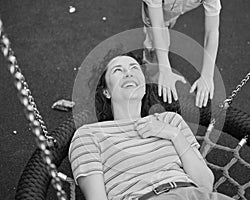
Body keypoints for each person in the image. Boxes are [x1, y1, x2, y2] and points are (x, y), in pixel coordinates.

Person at [69, 50, 233, 200]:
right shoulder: (89, 135)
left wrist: (173, 134)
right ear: (106, 91)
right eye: (118, 70)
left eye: (134, 68)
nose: (128, 73)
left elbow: (205, 183)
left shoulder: (170, 121)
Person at [142, 0, 221, 108]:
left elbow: (211, 32)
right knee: (155, 39)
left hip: (174, 8)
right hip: (156, 10)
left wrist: (207, 75)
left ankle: (168, 22)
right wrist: (164, 68)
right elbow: (158, 25)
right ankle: (150, 64)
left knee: (168, 21)